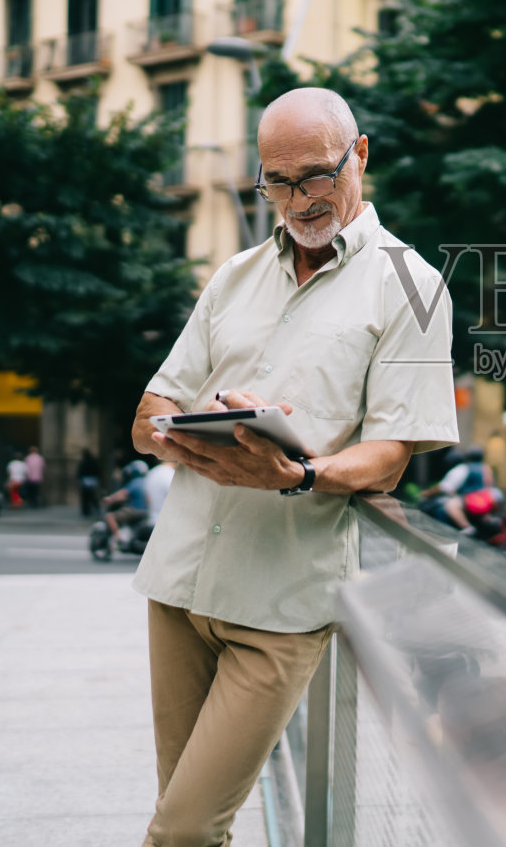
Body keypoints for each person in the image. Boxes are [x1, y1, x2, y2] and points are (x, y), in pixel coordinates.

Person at [129, 87, 458, 847]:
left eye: (315, 174)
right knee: (184, 821)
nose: (297, 199)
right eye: (275, 182)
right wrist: (199, 431)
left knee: (181, 830)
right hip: (178, 584)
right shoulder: (234, 275)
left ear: (360, 154)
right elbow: (148, 415)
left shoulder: (411, 285)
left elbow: (391, 454)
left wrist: (298, 473)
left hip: (281, 606)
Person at [103, 460, 152, 547]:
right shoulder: (146, 482)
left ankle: (119, 538)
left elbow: (122, 494)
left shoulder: (135, 482)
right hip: (145, 512)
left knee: (110, 517)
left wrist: (109, 499)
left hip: (135, 510)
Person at [77, 449, 102, 517]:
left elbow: (80, 472)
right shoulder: (93, 461)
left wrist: (79, 479)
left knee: (85, 496)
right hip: (93, 479)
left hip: (85, 480)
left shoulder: (83, 462)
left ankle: (86, 511)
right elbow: (98, 470)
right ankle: (96, 508)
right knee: (93, 496)